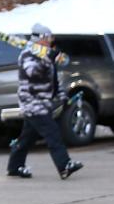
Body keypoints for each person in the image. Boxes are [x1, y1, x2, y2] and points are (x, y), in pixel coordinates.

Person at [6, 23, 84, 180]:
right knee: (52, 133)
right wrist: (47, 59)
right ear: (40, 38)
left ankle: (14, 166)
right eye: (48, 37)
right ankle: (64, 166)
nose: (51, 40)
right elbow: (32, 72)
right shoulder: (27, 54)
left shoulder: (46, 55)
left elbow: (53, 80)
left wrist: (62, 96)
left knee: (27, 137)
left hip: (43, 103)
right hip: (32, 103)